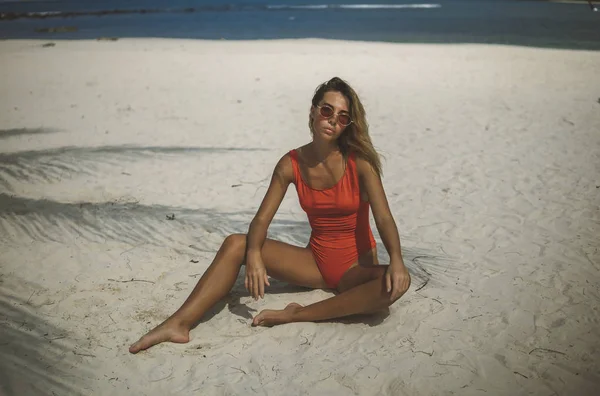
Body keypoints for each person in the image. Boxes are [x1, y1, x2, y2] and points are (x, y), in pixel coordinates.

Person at [129, 77, 411, 354]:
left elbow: (384, 218)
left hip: (356, 269)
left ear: (348, 124)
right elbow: (262, 220)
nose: (333, 120)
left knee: (397, 284)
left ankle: (297, 314)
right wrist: (252, 253)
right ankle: (179, 324)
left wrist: (396, 259)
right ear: (313, 111)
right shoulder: (291, 164)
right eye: (327, 110)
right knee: (236, 243)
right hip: (315, 263)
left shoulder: (359, 163)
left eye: (343, 116)